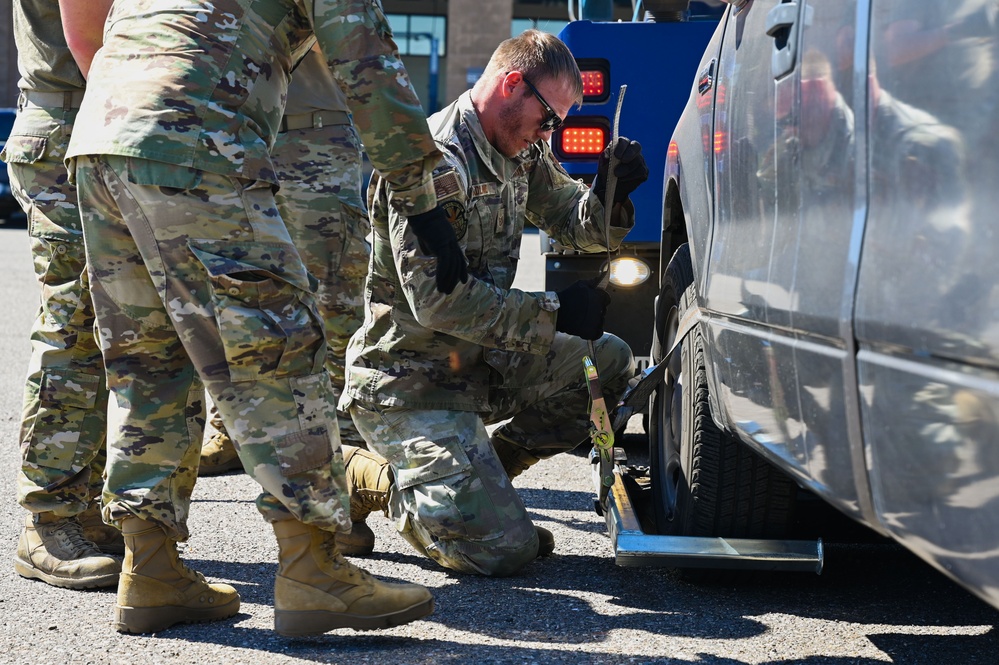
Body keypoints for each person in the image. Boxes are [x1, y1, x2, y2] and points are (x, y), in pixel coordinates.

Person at [60, 0, 463, 636]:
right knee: (278, 353)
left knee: (149, 360)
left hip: (102, 137)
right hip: (198, 137)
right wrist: (420, 199)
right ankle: (315, 570)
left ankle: (152, 567)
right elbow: (368, 66)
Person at [343, 30, 646, 577]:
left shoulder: (521, 149)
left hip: (483, 363)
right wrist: (554, 311)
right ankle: (363, 476)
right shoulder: (436, 164)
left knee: (609, 360)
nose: (549, 132)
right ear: (512, 85)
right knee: (499, 550)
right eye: (548, 117)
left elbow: (574, 224)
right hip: (413, 380)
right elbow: (439, 303)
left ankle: (487, 486)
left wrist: (610, 196)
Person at [198, 43, 386, 556]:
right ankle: (227, 427)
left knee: (334, 294)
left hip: (311, 130)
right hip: (223, 123)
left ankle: (342, 452)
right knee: (233, 289)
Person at [4, 0, 122, 592]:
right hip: (81, 123)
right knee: (75, 324)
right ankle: (48, 519)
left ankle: (82, 504)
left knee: (115, 326)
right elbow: (93, 44)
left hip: (96, 120)